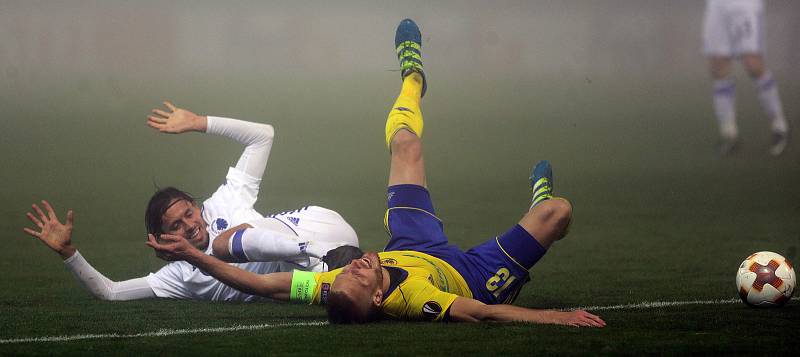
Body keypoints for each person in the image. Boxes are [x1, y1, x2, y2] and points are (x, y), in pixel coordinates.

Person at [146, 19, 605, 327]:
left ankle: (412, 79)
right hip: (470, 274)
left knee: (406, 143)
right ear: (381, 299)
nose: (360, 263)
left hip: (410, 244)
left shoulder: (335, 286)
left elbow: (261, 283)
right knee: (557, 212)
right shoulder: (416, 300)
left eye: (347, 272)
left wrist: (194, 254)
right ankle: (539, 200)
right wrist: (553, 318)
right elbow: (483, 314)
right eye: (362, 275)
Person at [23, 102, 361, 301]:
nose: (190, 226)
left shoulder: (223, 201)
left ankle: (316, 252)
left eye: (188, 213)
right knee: (339, 296)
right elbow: (110, 292)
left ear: (197, 207)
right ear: (161, 238)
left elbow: (263, 135)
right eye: (176, 226)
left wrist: (199, 123)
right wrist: (69, 253)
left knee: (227, 242)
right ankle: (337, 264)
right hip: (316, 278)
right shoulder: (180, 274)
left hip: (317, 226)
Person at [702, 0, 789, 156]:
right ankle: (729, 134)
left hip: (743, 4)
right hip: (717, 5)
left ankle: (779, 126)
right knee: (718, 66)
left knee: (753, 63)